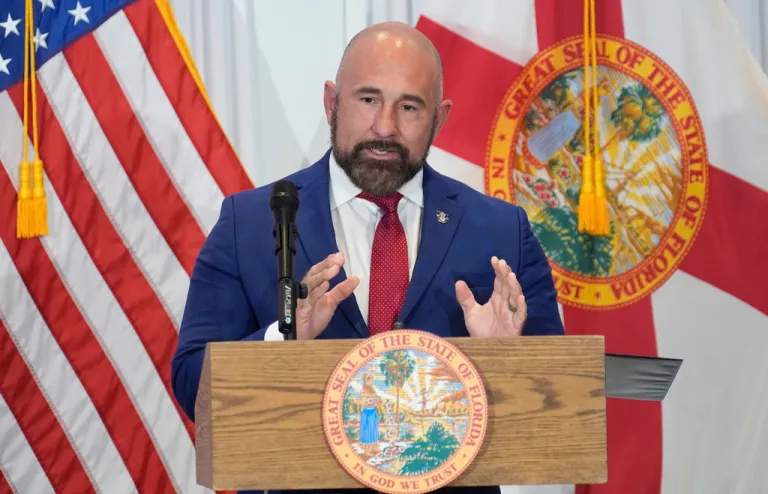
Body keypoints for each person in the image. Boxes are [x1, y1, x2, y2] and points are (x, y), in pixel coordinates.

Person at [172, 21, 564, 494]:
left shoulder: (502, 230)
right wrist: (283, 338)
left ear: (439, 118)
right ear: (331, 103)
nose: (385, 127)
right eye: (368, 99)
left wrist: (506, 360)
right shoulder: (252, 221)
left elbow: (557, 407)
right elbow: (192, 384)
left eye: (409, 107)